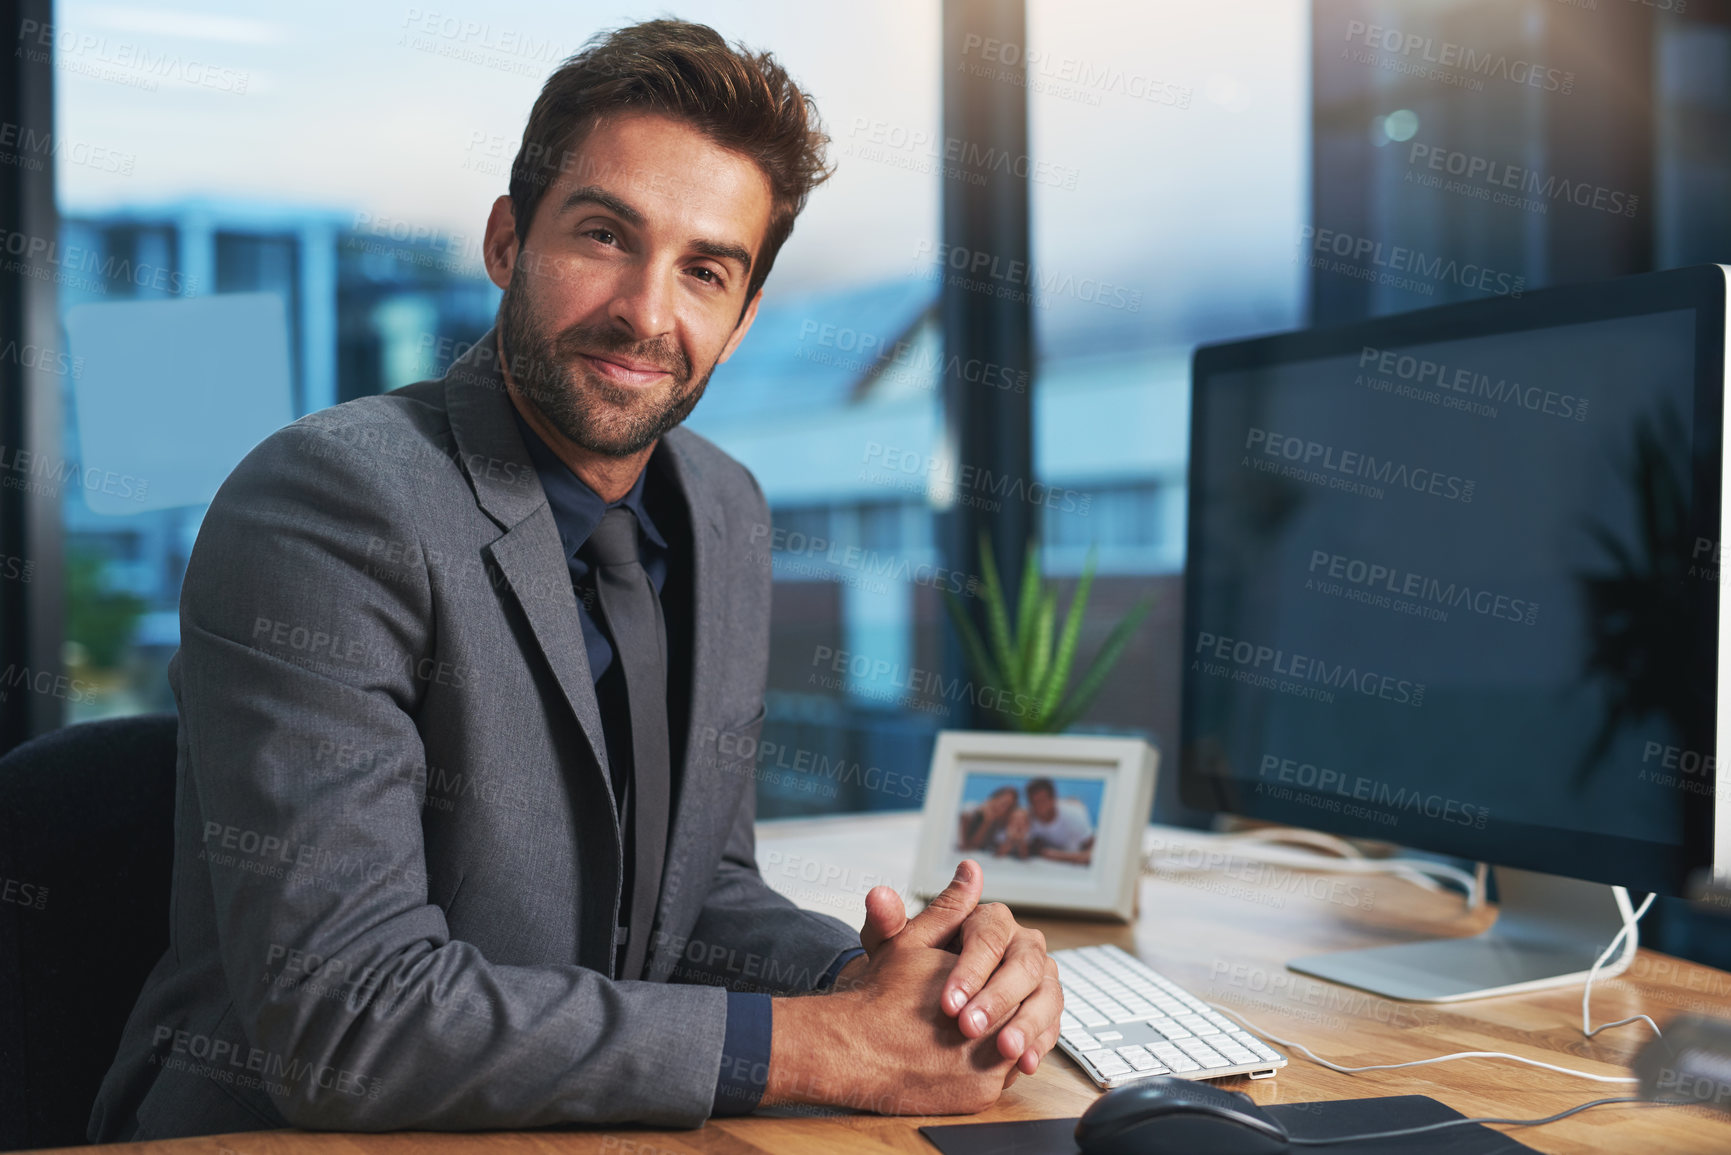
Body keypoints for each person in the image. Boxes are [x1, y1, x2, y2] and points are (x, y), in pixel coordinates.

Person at [87, 20, 1060, 1141]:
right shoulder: (329, 501)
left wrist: (901, 985)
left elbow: (696, 901)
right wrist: (826, 1045)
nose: (648, 313)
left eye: (706, 270)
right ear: (508, 241)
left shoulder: (726, 514)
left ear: (742, 321)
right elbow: (344, 1021)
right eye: (605, 235)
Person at [1024, 778, 1096, 866]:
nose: (1038, 807)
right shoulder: (1029, 817)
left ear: (1053, 799)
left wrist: (1059, 856)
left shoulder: (1074, 815)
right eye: (1034, 802)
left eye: (1042, 801)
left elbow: (1094, 854)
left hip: (1072, 856)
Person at [958, 785, 1019, 851]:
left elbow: (975, 848)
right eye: (1003, 803)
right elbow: (967, 846)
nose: (1003, 809)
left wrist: (987, 822)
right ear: (993, 798)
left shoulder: (995, 824)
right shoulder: (970, 810)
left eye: (1008, 808)